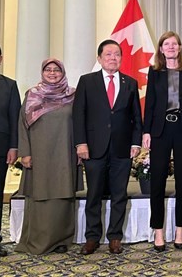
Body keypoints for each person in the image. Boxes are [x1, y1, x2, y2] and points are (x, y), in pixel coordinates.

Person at [73, 39, 142, 255]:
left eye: (117, 54)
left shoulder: (130, 83)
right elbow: (78, 115)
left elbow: (135, 118)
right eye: (108, 54)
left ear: (121, 58)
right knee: (93, 194)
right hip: (93, 148)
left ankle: (114, 237)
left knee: (119, 195)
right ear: (99, 58)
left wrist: (136, 142)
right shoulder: (87, 81)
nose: (113, 58)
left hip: (122, 149)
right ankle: (92, 237)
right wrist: (80, 143)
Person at [15, 58, 83, 255]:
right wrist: (25, 152)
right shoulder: (32, 95)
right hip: (39, 154)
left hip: (65, 153)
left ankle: (62, 240)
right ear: (42, 73)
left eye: (56, 70)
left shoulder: (72, 95)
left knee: (63, 196)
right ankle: (39, 240)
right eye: (48, 70)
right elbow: (22, 125)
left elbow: (80, 122)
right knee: (40, 196)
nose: (52, 73)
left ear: (63, 73)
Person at [142, 31, 182, 252]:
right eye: (167, 44)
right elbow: (150, 104)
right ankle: (158, 230)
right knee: (157, 181)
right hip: (160, 130)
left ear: (180, 47)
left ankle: (179, 229)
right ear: (161, 48)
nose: (171, 47)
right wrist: (146, 131)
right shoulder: (154, 72)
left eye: (175, 44)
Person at [0, 45, 21, 257]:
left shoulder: (9, 85)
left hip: (1, 147)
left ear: (0, 58)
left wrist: (14, 146)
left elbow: (15, 120)